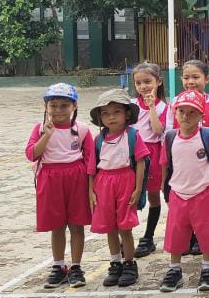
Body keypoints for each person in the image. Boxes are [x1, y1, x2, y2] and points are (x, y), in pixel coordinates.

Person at [159, 90, 209, 293]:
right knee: (175, 233)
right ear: (175, 112)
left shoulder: (207, 136)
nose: (186, 116)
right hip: (178, 192)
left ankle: (207, 268)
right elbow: (164, 164)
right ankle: (175, 269)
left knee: (207, 231)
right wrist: (165, 186)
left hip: (204, 192)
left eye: (192, 112)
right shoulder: (171, 137)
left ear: (201, 116)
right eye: (182, 111)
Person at [26, 83, 94, 289]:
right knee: (57, 226)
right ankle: (58, 266)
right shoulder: (39, 128)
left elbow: (91, 160)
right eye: (53, 105)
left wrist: (92, 188)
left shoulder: (81, 130)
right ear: (46, 106)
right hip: (50, 177)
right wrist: (47, 135)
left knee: (76, 225)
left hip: (76, 178)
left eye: (63, 105)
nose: (58, 110)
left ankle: (75, 267)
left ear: (73, 106)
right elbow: (32, 154)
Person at [89, 89, 148, 288]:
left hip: (125, 182)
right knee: (109, 227)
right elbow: (92, 168)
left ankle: (129, 263)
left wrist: (138, 189)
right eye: (105, 113)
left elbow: (140, 162)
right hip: (103, 184)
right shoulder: (98, 140)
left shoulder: (132, 136)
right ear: (99, 117)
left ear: (127, 114)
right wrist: (91, 191)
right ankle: (115, 263)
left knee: (125, 227)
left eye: (116, 112)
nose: (111, 117)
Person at [131, 62, 172, 258]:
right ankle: (126, 237)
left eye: (147, 81)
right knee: (129, 195)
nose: (143, 86)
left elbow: (158, 130)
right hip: (131, 155)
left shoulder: (164, 107)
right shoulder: (130, 105)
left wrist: (151, 107)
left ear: (158, 82)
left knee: (154, 196)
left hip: (152, 154)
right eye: (138, 82)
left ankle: (148, 237)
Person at [177, 60, 209, 128]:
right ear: (181, 79)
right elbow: (169, 128)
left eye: (195, 77)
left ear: (207, 79)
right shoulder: (175, 102)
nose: (190, 82)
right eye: (186, 78)